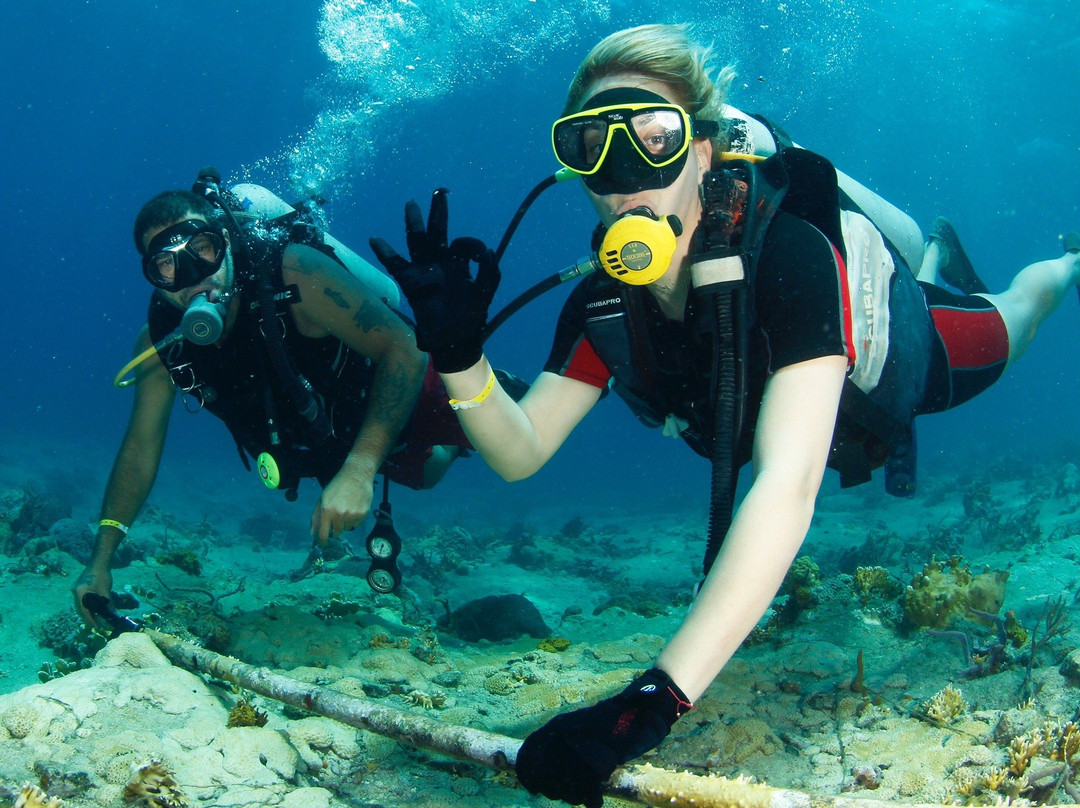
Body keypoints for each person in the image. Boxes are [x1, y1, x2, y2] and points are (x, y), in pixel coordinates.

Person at [371, 23, 1080, 807]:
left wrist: (653, 703)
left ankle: (1063, 260)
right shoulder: (605, 304)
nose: (624, 177)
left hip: (892, 357)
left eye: (652, 138)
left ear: (703, 152)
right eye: (590, 149)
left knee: (1014, 317)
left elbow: (785, 483)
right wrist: (459, 358)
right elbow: (520, 451)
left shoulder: (789, 255)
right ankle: (944, 257)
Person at [73, 178, 475, 628]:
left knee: (478, 443)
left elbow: (405, 349)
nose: (191, 278)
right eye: (166, 266)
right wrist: (100, 561)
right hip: (321, 443)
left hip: (396, 392)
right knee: (423, 474)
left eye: (201, 251)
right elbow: (140, 446)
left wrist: (360, 469)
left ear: (224, 241)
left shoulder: (298, 274)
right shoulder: (161, 346)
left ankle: (484, 401)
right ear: (154, 280)